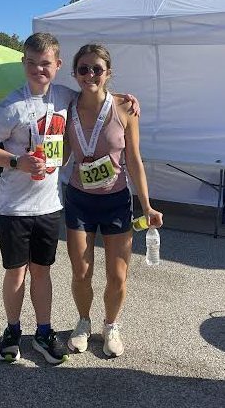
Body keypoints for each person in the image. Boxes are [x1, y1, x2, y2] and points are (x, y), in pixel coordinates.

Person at [0, 33, 139, 365]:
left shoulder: (65, 96)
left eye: (46, 63)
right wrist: (14, 161)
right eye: (32, 63)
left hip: (49, 204)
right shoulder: (11, 105)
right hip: (13, 206)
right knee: (17, 273)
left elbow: (97, 94)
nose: (39, 69)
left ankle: (44, 332)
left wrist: (125, 99)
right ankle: (11, 330)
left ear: (58, 66)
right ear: (24, 64)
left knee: (43, 271)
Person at [64, 44, 163, 357]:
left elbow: (134, 159)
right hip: (79, 200)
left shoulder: (124, 107)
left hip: (117, 201)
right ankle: (83, 322)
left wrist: (146, 205)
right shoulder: (67, 107)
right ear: (74, 72)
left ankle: (111, 325)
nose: (90, 75)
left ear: (108, 73)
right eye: (83, 69)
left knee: (117, 275)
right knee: (81, 272)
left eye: (97, 69)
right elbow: (63, 155)